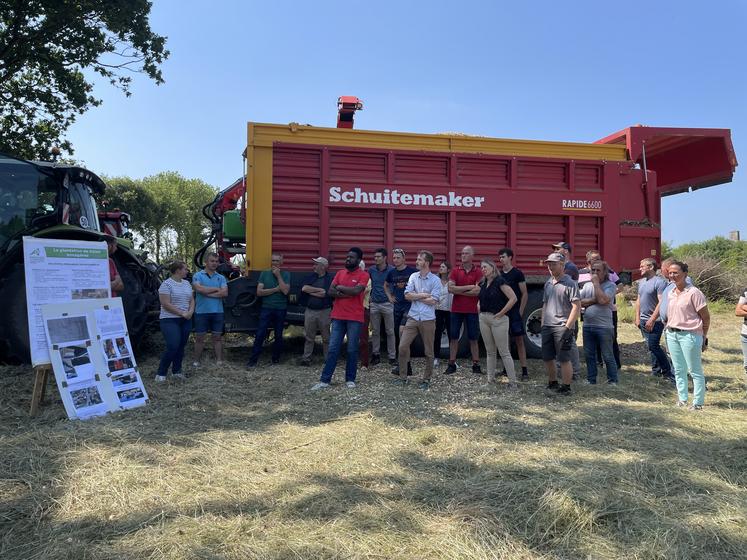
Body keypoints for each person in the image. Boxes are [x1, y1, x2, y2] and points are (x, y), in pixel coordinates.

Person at [311, 247, 369, 390]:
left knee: (352, 349)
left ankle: (350, 379)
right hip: (338, 316)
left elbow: (357, 291)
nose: (348, 259)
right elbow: (330, 291)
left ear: (359, 260)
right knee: (333, 348)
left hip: (355, 318)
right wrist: (347, 292)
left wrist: (340, 288)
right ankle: (325, 380)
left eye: (352, 257)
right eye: (347, 256)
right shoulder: (340, 273)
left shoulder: (364, 275)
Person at [665, 261, 710, 411]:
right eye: (670, 273)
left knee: (694, 370)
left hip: (690, 335)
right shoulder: (671, 292)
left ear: (685, 274)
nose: (672, 275)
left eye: (676, 272)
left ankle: (698, 402)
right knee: (678, 369)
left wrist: (704, 337)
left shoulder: (694, 293)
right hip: (672, 334)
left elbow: (705, 317)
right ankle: (682, 399)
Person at [396, 251, 441, 389]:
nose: (416, 261)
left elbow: (434, 300)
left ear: (426, 263)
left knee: (428, 351)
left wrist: (416, 296)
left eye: (419, 259)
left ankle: (426, 379)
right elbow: (407, 295)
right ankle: (403, 377)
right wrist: (422, 295)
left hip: (428, 319)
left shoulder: (435, 280)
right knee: (402, 347)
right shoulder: (413, 276)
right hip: (413, 317)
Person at [541, 252, 581, 396]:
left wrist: (568, 327)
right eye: (549, 264)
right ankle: (552, 382)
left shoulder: (569, 283)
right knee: (547, 357)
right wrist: (543, 323)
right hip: (548, 326)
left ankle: (566, 386)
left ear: (562, 265)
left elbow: (576, 306)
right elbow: (545, 304)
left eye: (553, 264)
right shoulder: (548, 283)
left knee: (564, 358)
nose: (550, 267)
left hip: (562, 325)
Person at [478, 259, 518, 388]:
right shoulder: (483, 283)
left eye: (485, 266)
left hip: (498, 320)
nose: (483, 269)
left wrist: (501, 313)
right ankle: (490, 380)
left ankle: (513, 382)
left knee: (504, 352)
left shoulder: (500, 281)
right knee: (490, 351)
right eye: (481, 267)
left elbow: (513, 298)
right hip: (484, 318)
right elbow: (480, 298)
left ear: (492, 267)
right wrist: (478, 306)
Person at [578, 250, 622, 368]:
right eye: (595, 259)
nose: (598, 260)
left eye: (599, 258)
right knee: (592, 338)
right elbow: (578, 298)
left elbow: (620, 286)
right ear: (588, 261)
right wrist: (596, 299)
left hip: (608, 312)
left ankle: (615, 365)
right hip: (587, 312)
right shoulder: (580, 273)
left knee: (611, 339)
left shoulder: (609, 271)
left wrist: (609, 295)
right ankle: (598, 363)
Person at [444, 246, 483, 375]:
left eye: (466, 253)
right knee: (454, 337)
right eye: (462, 253)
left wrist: (459, 290)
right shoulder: (455, 270)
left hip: (472, 310)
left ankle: (476, 365)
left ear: (472, 256)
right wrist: (469, 287)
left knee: (473, 338)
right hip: (456, 310)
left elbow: (478, 291)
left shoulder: (478, 271)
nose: (463, 255)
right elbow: (450, 289)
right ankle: (451, 364)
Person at [247, 253, 290, 368]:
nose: (274, 263)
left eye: (277, 261)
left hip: (281, 308)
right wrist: (276, 289)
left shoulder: (286, 274)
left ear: (281, 262)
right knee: (260, 333)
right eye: (273, 261)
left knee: (278, 335)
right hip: (266, 308)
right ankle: (253, 361)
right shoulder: (264, 274)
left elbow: (285, 291)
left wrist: (278, 276)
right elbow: (259, 292)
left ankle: (275, 360)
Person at [634, 258, 673, 382]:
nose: (640, 268)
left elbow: (661, 301)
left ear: (651, 267)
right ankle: (656, 371)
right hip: (643, 320)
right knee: (650, 346)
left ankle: (667, 371)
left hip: (655, 321)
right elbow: (639, 300)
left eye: (642, 266)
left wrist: (652, 319)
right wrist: (637, 317)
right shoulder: (641, 282)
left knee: (653, 345)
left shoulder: (660, 282)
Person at [155, 261, 195, 382]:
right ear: (178, 270)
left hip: (186, 319)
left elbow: (192, 299)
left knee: (181, 346)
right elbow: (165, 304)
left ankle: (177, 371)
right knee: (173, 345)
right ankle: (161, 373)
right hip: (169, 320)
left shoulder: (187, 283)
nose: (187, 271)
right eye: (185, 269)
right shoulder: (166, 285)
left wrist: (190, 312)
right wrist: (182, 313)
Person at [192, 252, 228, 367]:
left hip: (217, 312)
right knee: (199, 338)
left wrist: (208, 293)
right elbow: (199, 289)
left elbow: (225, 293)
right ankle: (196, 361)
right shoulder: (198, 275)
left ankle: (219, 360)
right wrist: (216, 289)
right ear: (206, 262)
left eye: (216, 261)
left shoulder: (221, 277)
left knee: (217, 337)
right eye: (212, 261)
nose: (214, 263)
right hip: (201, 312)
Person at [385, 248, 418, 375]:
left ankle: (404, 364)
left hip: (409, 307)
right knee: (399, 337)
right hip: (397, 307)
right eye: (394, 258)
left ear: (404, 259)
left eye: (398, 257)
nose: (396, 260)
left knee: (403, 333)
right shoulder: (391, 272)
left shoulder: (412, 272)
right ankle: (405, 365)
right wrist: (389, 296)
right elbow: (386, 285)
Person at [498, 248, 529, 380]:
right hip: (503, 312)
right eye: (500, 257)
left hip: (515, 312)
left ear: (510, 257)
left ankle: (524, 371)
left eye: (503, 257)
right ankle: (507, 369)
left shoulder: (517, 273)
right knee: (505, 342)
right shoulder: (499, 275)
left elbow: (524, 293)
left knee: (519, 341)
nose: (501, 259)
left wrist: (521, 311)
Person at [299, 257, 333, 366]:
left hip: (325, 311)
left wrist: (311, 291)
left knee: (326, 337)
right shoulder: (310, 277)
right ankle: (306, 358)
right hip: (310, 311)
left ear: (322, 267)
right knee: (309, 336)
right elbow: (304, 289)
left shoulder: (329, 279)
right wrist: (318, 291)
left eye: (316, 264)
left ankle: (328, 359)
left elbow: (326, 293)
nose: (313, 266)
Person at [368, 248, 395, 366]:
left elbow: (396, 283)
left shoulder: (392, 270)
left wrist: (393, 297)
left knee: (390, 331)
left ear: (384, 258)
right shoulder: (371, 270)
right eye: (375, 257)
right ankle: (376, 355)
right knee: (375, 331)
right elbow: (368, 284)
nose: (376, 259)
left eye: (378, 257)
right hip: (374, 303)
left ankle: (392, 356)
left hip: (387, 304)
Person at [433, 261, 453, 368]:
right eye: (440, 266)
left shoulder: (452, 281)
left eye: (443, 267)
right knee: (437, 334)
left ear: (448, 269)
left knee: (451, 333)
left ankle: (452, 359)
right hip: (438, 309)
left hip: (450, 310)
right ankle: (436, 357)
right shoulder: (436, 280)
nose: (441, 268)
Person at [359, 260, 371, 368]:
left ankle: (364, 363)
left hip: (363, 309)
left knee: (363, 338)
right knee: (351, 338)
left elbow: (361, 292)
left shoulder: (367, 278)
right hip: (351, 309)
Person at [736, 286, 747, 379]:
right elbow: (738, 311)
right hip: (745, 335)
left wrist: (745, 306)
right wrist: (742, 306)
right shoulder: (746, 291)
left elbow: (742, 307)